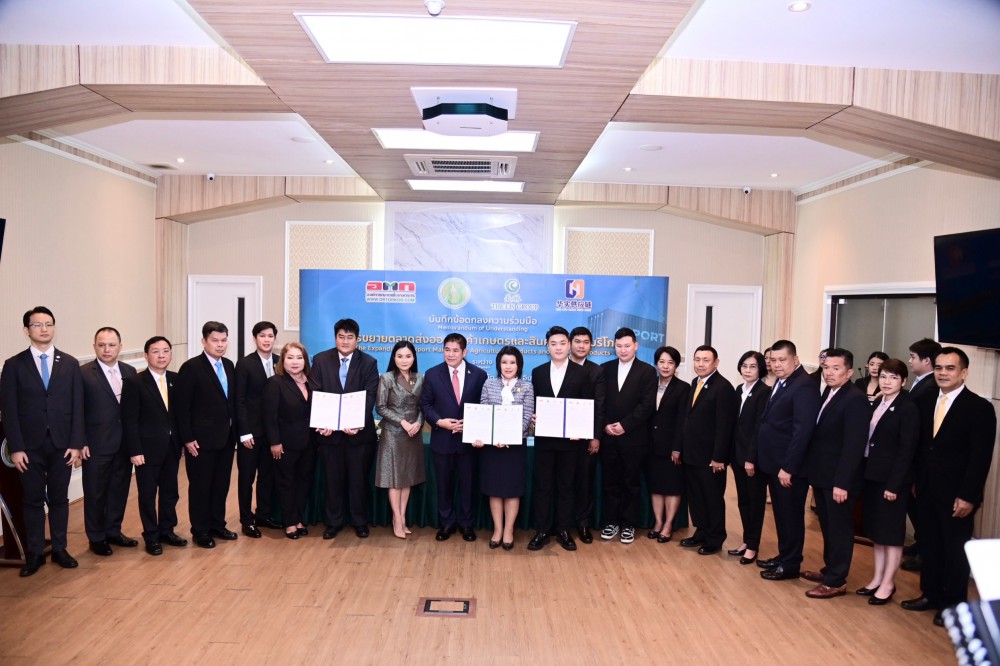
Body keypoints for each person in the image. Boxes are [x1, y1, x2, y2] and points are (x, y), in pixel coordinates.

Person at [902, 347, 997, 627]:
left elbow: (980, 458)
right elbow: (920, 446)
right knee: (930, 545)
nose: (943, 373)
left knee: (954, 551)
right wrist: (916, 480)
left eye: (950, 368)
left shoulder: (979, 408)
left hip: (958, 495)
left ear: (964, 373)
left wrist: (968, 496)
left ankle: (953, 606)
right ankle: (930, 594)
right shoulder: (925, 400)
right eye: (939, 368)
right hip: (925, 489)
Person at [1, 307, 84, 577]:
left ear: (54, 327)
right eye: (37, 325)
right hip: (29, 447)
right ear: (26, 330)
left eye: (48, 324)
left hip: (63, 445)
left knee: (60, 498)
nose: (44, 329)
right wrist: (16, 448)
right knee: (33, 500)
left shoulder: (70, 363)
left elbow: (78, 406)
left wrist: (76, 443)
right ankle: (35, 553)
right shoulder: (13, 365)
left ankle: (60, 548)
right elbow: (9, 411)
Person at [800, 348, 870, 599]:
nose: (829, 373)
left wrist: (842, 482)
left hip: (839, 480)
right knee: (828, 527)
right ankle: (829, 570)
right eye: (826, 367)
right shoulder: (829, 392)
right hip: (822, 474)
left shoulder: (855, 399)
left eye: (836, 368)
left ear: (849, 372)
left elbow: (854, 445)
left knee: (840, 529)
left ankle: (837, 580)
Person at [757, 340, 822, 582]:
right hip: (775, 463)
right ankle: (784, 556)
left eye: (782, 360)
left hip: (789, 467)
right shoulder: (784, 381)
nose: (777, 365)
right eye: (773, 360)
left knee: (791, 517)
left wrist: (788, 467)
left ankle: (790, 564)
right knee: (782, 515)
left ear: (795, 360)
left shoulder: (804, 385)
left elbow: (802, 431)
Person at [310, 318, 379, 539]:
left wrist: (357, 422)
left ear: (357, 339)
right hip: (329, 436)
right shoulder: (320, 360)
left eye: (350, 337)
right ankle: (333, 522)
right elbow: (316, 393)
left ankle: (360, 522)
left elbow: (370, 396)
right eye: (341, 336)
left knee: (358, 481)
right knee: (333, 480)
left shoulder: (368, 362)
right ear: (335, 338)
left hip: (359, 436)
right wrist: (324, 422)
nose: (345, 341)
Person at [529, 327, 596, 552]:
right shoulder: (537, 372)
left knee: (566, 487)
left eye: (562, 343)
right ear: (547, 347)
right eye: (553, 344)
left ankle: (564, 530)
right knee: (543, 486)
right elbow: (534, 403)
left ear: (569, 345)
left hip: (571, 442)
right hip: (545, 441)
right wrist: (534, 416)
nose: (558, 348)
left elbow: (587, 405)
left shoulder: (582, 373)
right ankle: (541, 530)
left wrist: (583, 430)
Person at [858, 359, 919, 605]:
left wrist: (894, 485)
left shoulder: (907, 408)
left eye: (893, 377)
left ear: (904, 381)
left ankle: (888, 583)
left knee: (891, 534)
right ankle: (877, 578)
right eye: (883, 376)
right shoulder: (879, 402)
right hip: (873, 476)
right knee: (877, 531)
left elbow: (907, 451)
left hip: (892, 482)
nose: (887, 381)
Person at [174, 321, 238, 549]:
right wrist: (187, 438)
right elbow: (182, 407)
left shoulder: (229, 365)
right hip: (200, 441)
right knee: (201, 486)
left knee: (221, 485)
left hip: (226, 438)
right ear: (204, 341)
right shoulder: (191, 368)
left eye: (224, 340)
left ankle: (217, 525)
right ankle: (200, 530)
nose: (220, 345)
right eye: (215, 340)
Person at [121, 336, 187, 556]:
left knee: (170, 492)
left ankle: (167, 530)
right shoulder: (135, 382)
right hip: (146, 450)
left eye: (166, 351)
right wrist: (135, 450)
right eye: (156, 351)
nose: (161, 356)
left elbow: (180, 415)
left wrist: (182, 442)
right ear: (146, 355)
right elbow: (130, 420)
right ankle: (151, 536)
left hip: (172, 447)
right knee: (148, 495)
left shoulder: (176, 379)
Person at [420, 333, 488, 542]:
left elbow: (484, 406)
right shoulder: (432, 374)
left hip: (469, 442)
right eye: (447, 350)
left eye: (455, 350)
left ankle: (467, 524)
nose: (450, 354)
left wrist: (473, 424)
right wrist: (439, 422)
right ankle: (447, 523)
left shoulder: (479, 375)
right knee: (444, 485)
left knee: (468, 485)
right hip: (442, 439)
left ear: (464, 352)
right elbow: (426, 405)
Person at [80, 326, 138, 556]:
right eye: (101, 345)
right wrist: (80, 441)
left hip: (124, 444)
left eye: (111, 345)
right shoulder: (84, 373)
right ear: (94, 346)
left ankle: (113, 531)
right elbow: (76, 411)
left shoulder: (130, 371)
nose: (106, 349)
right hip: (95, 444)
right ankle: (96, 537)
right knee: (95, 493)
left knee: (119, 490)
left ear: (120, 347)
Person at [677, 345, 737, 555]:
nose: (700, 364)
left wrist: (719, 457)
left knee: (712, 499)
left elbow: (725, 426)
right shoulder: (696, 383)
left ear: (716, 363)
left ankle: (715, 538)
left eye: (706, 360)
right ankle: (701, 531)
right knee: (696, 497)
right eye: (697, 360)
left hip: (711, 458)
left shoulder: (723, 387)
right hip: (692, 454)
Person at [599, 327, 657, 545]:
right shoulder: (605, 369)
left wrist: (625, 425)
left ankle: (629, 524)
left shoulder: (647, 371)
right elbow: (599, 401)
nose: (622, 350)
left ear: (636, 346)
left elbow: (647, 405)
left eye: (627, 346)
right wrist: (605, 425)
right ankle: (611, 521)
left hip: (634, 438)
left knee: (631, 483)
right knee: (610, 482)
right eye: (619, 346)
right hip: (608, 437)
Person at [475, 346, 534, 550]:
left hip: (515, 446)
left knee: (511, 490)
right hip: (492, 446)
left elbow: (527, 417)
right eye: (504, 362)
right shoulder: (489, 384)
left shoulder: (527, 387)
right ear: (498, 364)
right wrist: (493, 437)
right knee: (494, 489)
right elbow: (484, 411)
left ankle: (509, 530)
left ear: (519, 365)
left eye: (512, 362)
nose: (508, 366)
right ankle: (497, 530)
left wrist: (508, 436)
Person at [374, 340, 426, 539]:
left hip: (413, 434)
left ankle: (403, 517)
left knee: (407, 478)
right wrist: (402, 422)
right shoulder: (386, 378)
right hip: (394, 434)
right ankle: (396, 519)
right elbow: (381, 407)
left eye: (408, 356)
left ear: (414, 358)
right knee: (395, 480)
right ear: (394, 358)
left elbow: (423, 406)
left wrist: (418, 423)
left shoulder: (420, 378)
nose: (404, 360)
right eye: (400, 356)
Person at [263, 341, 314, 540]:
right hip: (285, 444)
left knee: (304, 482)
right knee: (286, 483)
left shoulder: (311, 382)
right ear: (282, 361)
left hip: (309, 443)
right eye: (290, 357)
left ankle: (299, 519)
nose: (295, 362)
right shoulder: (275, 383)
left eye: (299, 357)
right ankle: (290, 522)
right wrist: (274, 442)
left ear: (305, 361)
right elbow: (270, 417)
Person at [234, 321, 281, 538]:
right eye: (262, 336)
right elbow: (239, 400)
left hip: (272, 433)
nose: (266, 339)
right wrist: (244, 432)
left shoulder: (280, 362)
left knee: (267, 476)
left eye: (270, 336)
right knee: (247, 478)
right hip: (250, 433)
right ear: (255, 339)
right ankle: (246, 520)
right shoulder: (245, 364)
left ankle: (263, 514)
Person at [900, 337, 941, 572]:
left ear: (926, 361)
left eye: (913, 357)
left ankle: (925, 552)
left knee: (921, 508)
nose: (910, 361)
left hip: (919, 459)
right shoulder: (921, 383)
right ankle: (920, 543)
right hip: (913, 458)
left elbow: (922, 428)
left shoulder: (931, 388)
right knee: (915, 506)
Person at [728, 350, 771, 565]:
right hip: (737, 456)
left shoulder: (765, 392)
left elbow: (758, 429)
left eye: (752, 366)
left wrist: (750, 458)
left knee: (755, 503)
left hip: (752, 458)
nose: (747, 370)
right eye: (744, 366)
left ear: (761, 369)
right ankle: (746, 541)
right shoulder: (739, 389)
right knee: (743, 501)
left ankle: (753, 546)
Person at [646, 346, 687, 544]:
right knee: (656, 486)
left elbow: (682, 421)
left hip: (672, 447)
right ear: (656, 364)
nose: (665, 366)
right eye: (662, 362)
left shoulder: (683, 388)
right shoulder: (649, 384)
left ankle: (669, 524)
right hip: (650, 445)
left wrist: (677, 448)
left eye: (670, 363)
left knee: (672, 487)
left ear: (676, 366)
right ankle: (658, 522)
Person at [569, 326, 606, 544]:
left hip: (586, 439)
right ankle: (561, 523)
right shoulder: (559, 367)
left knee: (584, 481)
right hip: (561, 437)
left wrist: (595, 436)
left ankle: (583, 524)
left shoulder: (596, 371)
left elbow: (600, 406)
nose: (581, 346)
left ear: (591, 345)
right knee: (562, 482)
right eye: (577, 341)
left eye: (585, 342)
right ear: (570, 344)